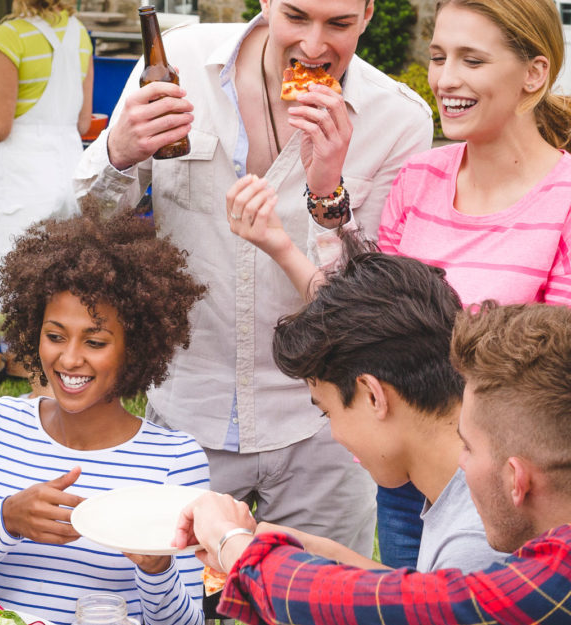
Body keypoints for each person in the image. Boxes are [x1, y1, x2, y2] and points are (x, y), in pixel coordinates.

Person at [74, 0, 433, 559]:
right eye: (296, 17)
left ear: (367, 13)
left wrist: (327, 190)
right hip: (188, 412)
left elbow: (374, 303)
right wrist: (119, 154)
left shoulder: (398, 120)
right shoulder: (178, 63)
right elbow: (84, 223)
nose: (315, 47)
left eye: (338, 25)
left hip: (323, 426)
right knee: (171, 621)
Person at [229, 0, 571, 569]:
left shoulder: (563, 201)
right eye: (438, 56)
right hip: (406, 478)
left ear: (534, 73)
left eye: (472, 60)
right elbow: (367, 324)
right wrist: (314, 199)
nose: (445, 79)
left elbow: (556, 380)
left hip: (512, 495)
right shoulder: (420, 179)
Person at [173, 302, 571, 625]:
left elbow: (425, 614)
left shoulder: (545, 593)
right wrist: (303, 550)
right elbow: (422, 602)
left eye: (467, 445)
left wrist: (233, 543)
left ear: (517, 480)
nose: (460, 461)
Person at [0, 210, 208, 625]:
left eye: (95, 341)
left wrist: (157, 570)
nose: (70, 358)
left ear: (136, 347)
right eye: (55, 336)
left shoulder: (174, 460)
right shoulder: (2, 425)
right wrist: (5, 520)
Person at [247, 251, 504, 625]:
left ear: (371, 395)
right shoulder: (473, 486)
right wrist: (313, 555)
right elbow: (423, 600)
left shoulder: (475, 541)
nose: (336, 435)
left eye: (328, 412)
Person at [0, 0, 93, 291]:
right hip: (70, 174)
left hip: (23, 181)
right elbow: (83, 122)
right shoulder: (79, 34)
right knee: (65, 288)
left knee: (20, 292)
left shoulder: (10, 36)